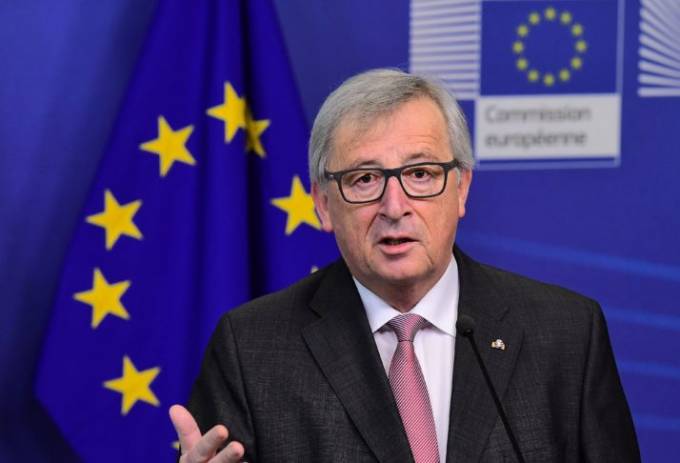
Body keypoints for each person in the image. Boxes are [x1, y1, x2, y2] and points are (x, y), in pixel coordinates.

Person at [169, 69, 640, 462]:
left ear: (461, 189)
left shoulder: (565, 335)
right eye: (364, 178)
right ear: (323, 204)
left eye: (420, 174)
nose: (394, 206)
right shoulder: (252, 348)